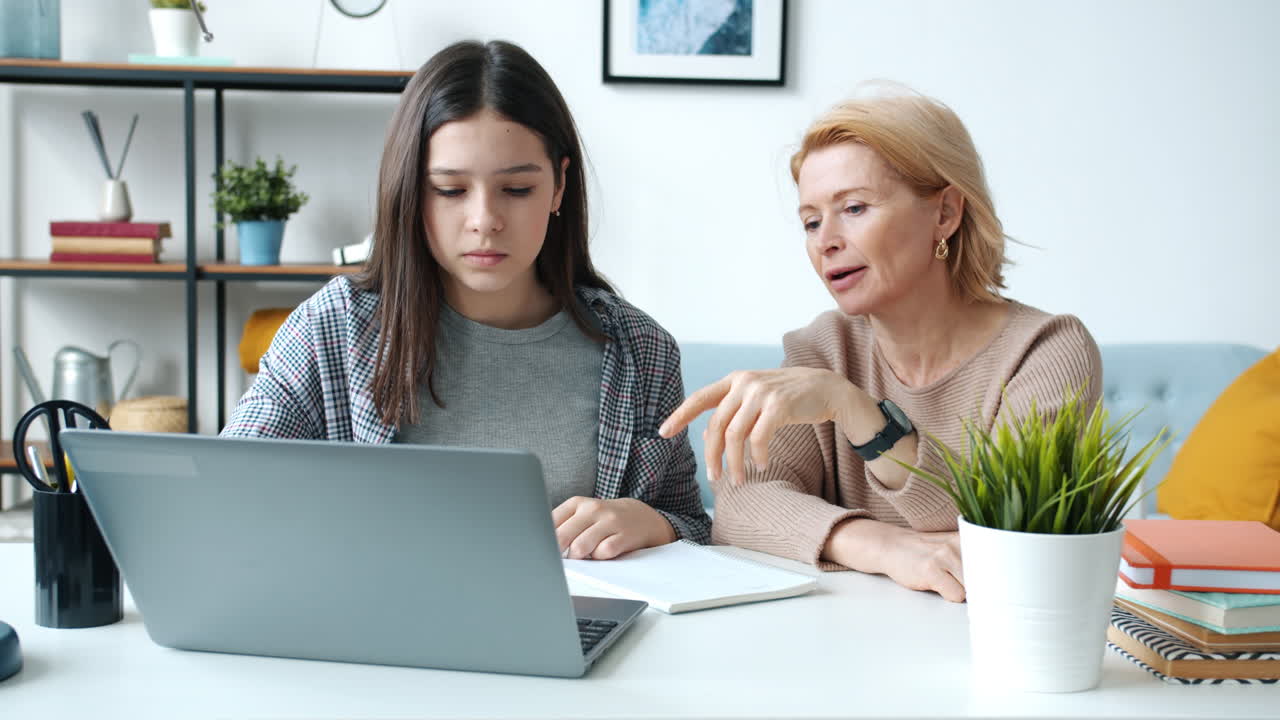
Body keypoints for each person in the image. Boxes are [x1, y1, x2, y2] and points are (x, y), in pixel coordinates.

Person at [223, 40, 710, 557]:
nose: (484, 220)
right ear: (411, 188)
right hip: (376, 630)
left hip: (573, 632)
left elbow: (697, 528)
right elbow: (227, 493)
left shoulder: (643, 352)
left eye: (517, 190)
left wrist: (657, 524)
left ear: (559, 185)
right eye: (451, 190)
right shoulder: (333, 328)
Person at [659, 88, 1100, 602]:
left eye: (854, 207)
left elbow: (1009, 532)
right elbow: (744, 504)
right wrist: (886, 547)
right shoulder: (823, 350)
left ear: (945, 214)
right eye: (811, 221)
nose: (826, 240)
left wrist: (859, 411)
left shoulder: (1046, 350)